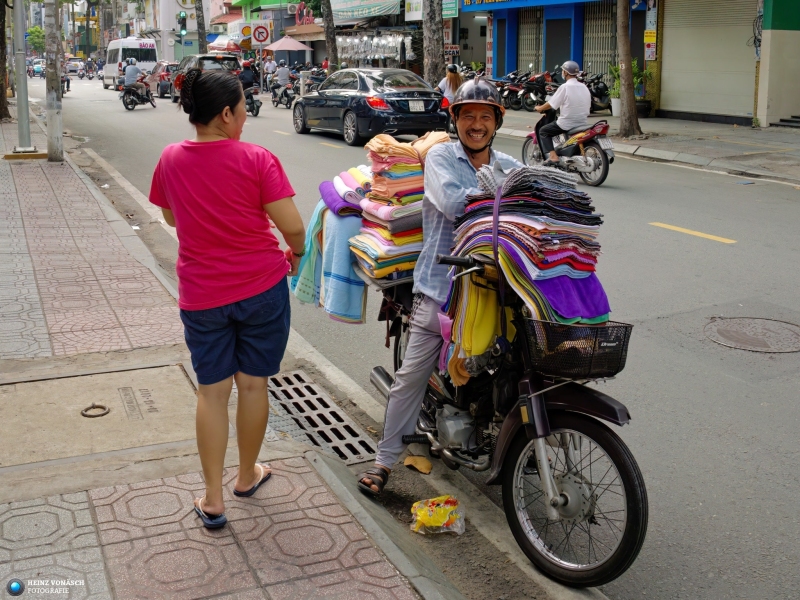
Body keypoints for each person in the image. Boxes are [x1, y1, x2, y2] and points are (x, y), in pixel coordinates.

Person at [149, 68, 306, 529]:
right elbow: (293, 227)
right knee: (254, 385)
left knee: (212, 392)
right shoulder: (256, 158)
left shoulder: (170, 158)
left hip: (202, 295)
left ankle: (213, 498)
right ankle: (246, 476)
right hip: (261, 287)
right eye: (241, 110)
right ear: (224, 113)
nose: (244, 119)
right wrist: (295, 253)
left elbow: (172, 218)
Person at [356, 77, 523, 496]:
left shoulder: (506, 163)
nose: (478, 124)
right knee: (411, 376)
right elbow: (452, 203)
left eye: (486, 116)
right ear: (456, 120)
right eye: (469, 116)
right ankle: (385, 460)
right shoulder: (443, 158)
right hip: (443, 286)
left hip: (498, 285)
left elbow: (532, 199)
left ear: (497, 121)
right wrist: (505, 196)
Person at [534, 60, 591, 165]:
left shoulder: (564, 87)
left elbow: (551, 104)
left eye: (563, 70)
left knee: (543, 131)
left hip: (567, 123)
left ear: (566, 73)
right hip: (583, 122)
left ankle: (553, 156)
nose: (562, 72)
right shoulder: (584, 87)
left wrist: (540, 108)